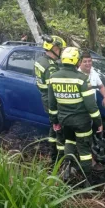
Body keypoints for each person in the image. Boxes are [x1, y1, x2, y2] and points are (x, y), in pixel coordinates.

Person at [48, 47, 103, 182]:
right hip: (81, 122)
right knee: (84, 151)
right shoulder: (82, 79)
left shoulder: (53, 78)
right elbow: (91, 106)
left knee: (69, 142)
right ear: (77, 62)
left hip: (64, 120)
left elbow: (52, 104)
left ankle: (67, 172)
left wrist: (55, 121)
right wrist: (98, 122)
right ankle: (87, 181)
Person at [35, 34, 66, 165]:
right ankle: (59, 159)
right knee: (60, 131)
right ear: (53, 48)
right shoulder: (50, 67)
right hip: (52, 101)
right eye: (59, 49)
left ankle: (53, 156)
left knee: (53, 128)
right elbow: (54, 89)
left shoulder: (41, 60)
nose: (61, 51)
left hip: (45, 98)